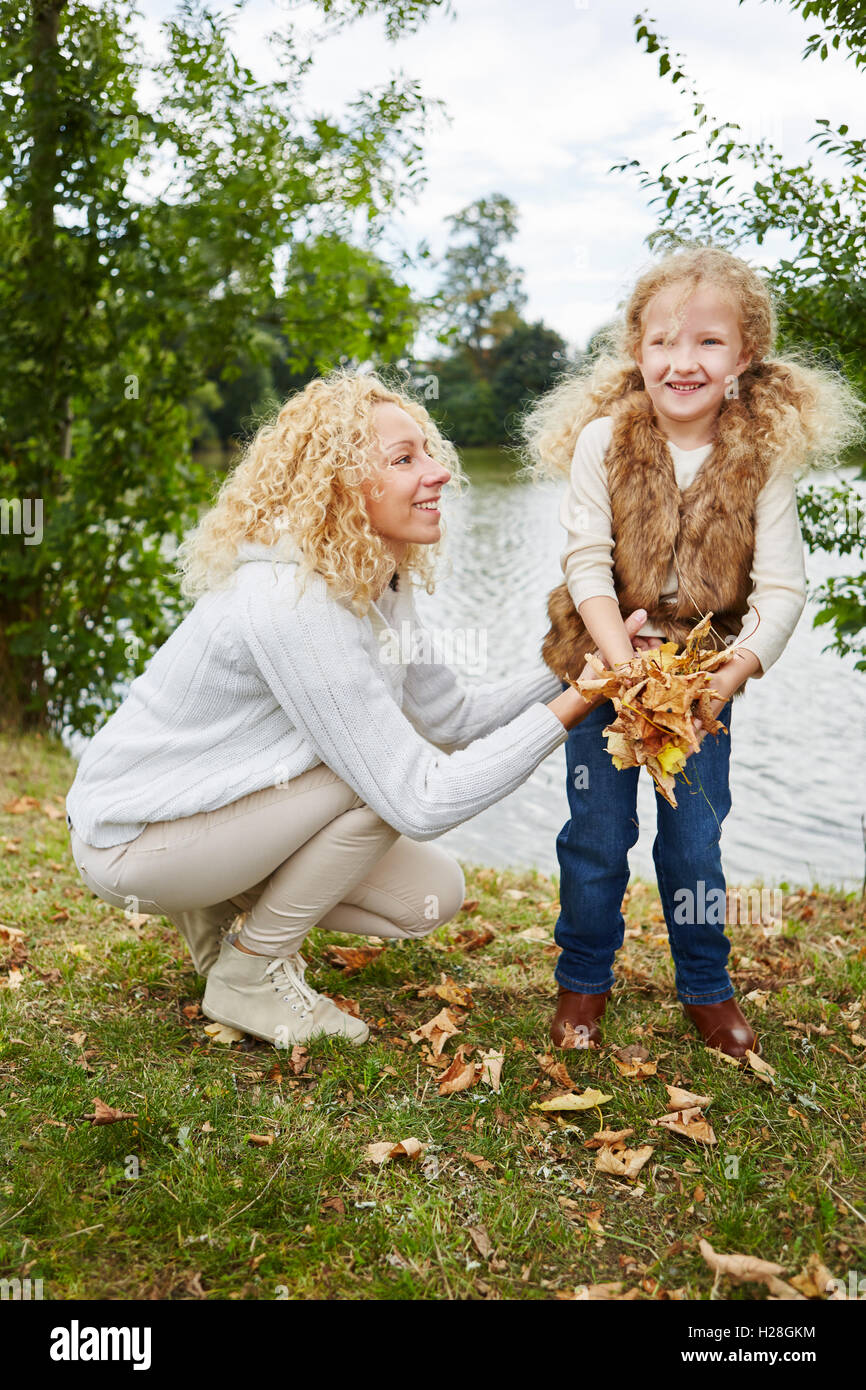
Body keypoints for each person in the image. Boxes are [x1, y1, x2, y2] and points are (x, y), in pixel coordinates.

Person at [66, 369, 647, 1050]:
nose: (438, 474)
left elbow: (451, 717)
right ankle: (249, 974)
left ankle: (223, 925)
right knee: (370, 777)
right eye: (404, 460)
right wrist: (579, 704)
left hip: (202, 815)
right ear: (339, 483)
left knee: (429, 896)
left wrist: (575, 672)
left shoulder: (372, 576)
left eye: (428, 451)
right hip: (133, 841)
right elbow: (419, 800)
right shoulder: (295, 601)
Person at [520, 245, 862, 1059]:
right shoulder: (604, 441)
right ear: (636, 352)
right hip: (602, 671)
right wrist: (620, 664)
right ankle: (583, 984)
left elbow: (781, 591)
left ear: (744, 357)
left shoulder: (761, 457)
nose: (684, 361)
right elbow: (585, 563)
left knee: (695, 845)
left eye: (708, 342)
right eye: (664, 342)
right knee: (596, 839)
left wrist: (732, 669)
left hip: (702, 686)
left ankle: (706, 987)